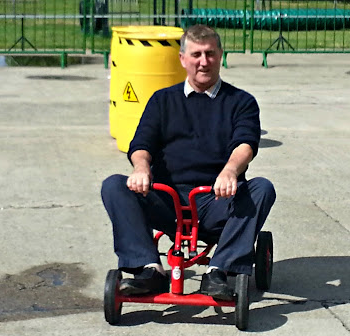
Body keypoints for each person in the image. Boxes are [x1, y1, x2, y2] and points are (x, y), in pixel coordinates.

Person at [101, 24, 276, 301]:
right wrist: (141, 168)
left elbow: (245, 143)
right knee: (114, 185)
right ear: (182, 59)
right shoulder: (162, 100)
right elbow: (141, 144)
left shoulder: (241, 102)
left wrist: (230, 171)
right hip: (167, 196)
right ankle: (149, 269)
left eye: (210, 54)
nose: (203, 62)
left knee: (262, 188)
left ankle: (219, 270)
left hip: (216, 198)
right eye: (196, 54)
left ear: (221, 56)